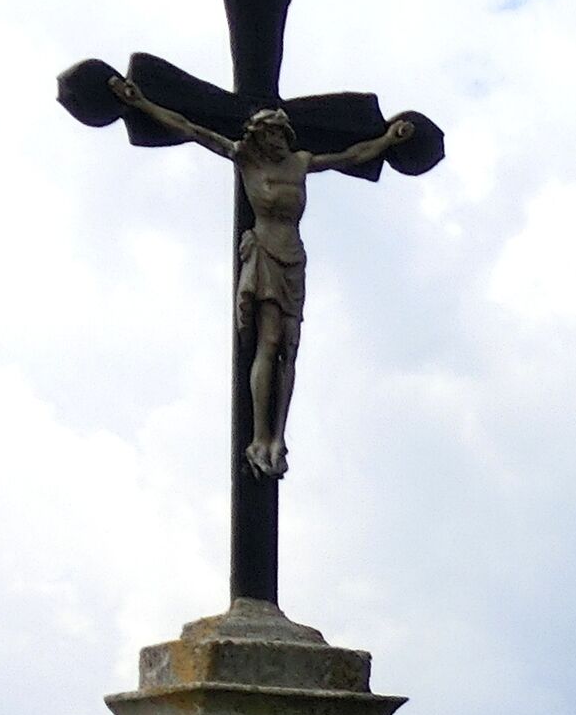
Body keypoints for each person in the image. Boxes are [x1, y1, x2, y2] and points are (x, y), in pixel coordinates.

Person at [108, 73, 432, 477]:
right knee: (269, 340)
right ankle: (260, 437)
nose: (281, 140)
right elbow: (189, 129)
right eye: (274, 134)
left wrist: (388, 141)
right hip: (263, 251)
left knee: (291, 347)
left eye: (283, 133)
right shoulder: (245, 157)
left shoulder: (300, 163)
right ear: (261, 136)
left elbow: (351, 156)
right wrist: (140, 102)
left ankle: (279, 436)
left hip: (293, 256)